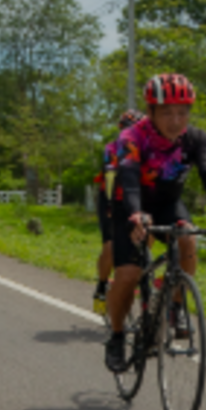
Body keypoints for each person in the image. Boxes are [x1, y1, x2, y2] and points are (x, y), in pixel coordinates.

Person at [104, 74, 206, 373]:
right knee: (127, 274)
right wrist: (136, 213)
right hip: (131, 205)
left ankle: (174, 304)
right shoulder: (131, 138)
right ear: (150, 112)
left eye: (183, 112)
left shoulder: (197, 139)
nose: (176, 120)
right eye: (167, 112)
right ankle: (116, 335)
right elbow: (129, 180)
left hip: (167, 204)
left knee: (188, 237)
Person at [92, 109, 144, 315]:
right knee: (110, 246)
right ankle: (102, 285)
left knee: (145, 231)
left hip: (136, 200)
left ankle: (140, 275)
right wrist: (111, 208)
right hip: (111, 199)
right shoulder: (112, 148)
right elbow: (110, 179)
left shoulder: (145, 148)